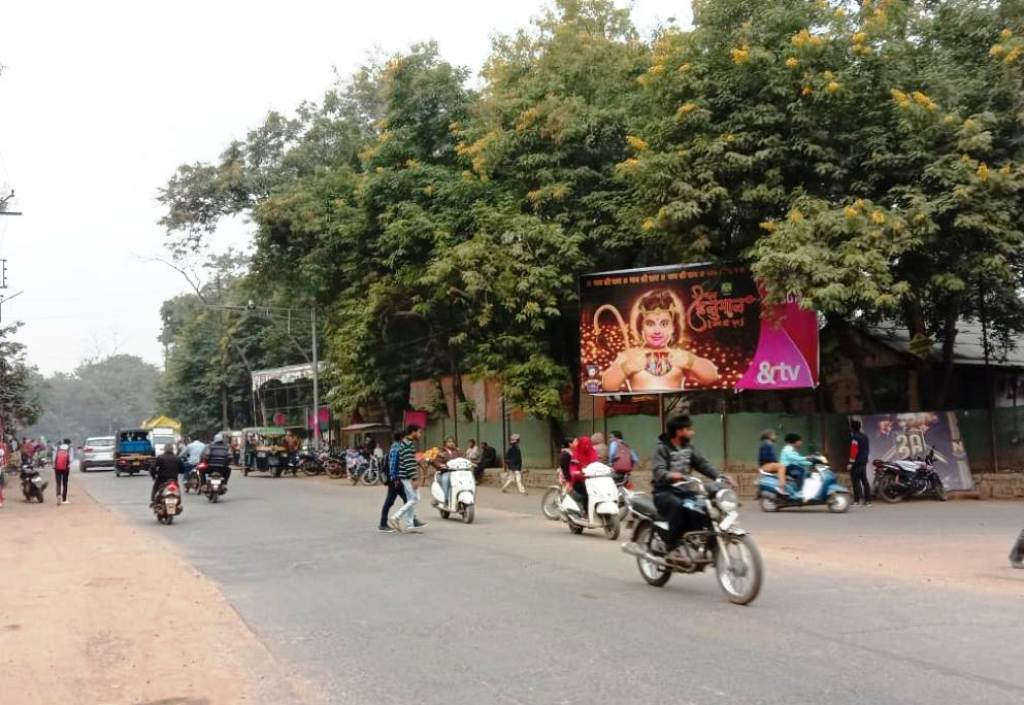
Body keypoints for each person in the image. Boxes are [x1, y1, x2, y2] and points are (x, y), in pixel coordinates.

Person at [600, 289, 720, 392]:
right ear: (641, 327)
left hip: (673, 412)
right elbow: (607, 385)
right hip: (641, 412)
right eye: (650, 323)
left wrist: (690, 362)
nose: (657, 330)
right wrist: (627, 367)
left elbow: (711, 376)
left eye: (664, 323)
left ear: (673, 327)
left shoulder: (679, 355)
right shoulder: (630, 355)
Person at [651, 415, 731, 555]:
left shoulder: (689, 447)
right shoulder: (662, 448)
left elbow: (702, 464)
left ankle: (701, 539)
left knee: (704, 506)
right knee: (677, 506)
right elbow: (659, 471)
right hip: (664, 492)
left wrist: (719, 476)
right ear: (678, 431)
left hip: (685, 491)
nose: (692, 432)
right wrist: (670, 475)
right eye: (689, 429)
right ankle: (671, 545)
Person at [390, 425, 426, 533]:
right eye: (419, 432)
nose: (420, 435)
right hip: (407, 476)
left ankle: (410, 524)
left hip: (405, 476)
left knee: (412, 498)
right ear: (413, 432)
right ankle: (396, 517)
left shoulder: (406, 443)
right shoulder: (408, 444)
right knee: (415, 498)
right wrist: (414, 478)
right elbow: (408, 462)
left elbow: (409, 460)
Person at [378, 432, 408, 532]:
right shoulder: (396, 448)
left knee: (406, 500)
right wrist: (395, 478)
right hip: (395, 480)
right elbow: (393, 465)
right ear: (401, 437)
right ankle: (383, 524)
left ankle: (410, 521)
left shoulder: (398, 447)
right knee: (393, 501)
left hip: (397, 479)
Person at [568, 435, 599, 511]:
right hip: (579, 479)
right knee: (587, 493)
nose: (586, 447)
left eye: (588, 444)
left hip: (592, 479)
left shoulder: (593, 453)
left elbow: (596, 464)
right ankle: (586, 511)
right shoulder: (576, 453)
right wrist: (575, 472)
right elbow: (573, 466)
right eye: (583, 444)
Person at [431, 437, 462, 506]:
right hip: (446, 472)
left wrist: (470, 463)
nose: (451, 443)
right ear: (445, 443)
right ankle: (445, 499)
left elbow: (464, 459)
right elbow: (436, 462)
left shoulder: (458, 452)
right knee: (445, 479)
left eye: (453, 441)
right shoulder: (441, 452)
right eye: (449, 441)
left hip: (458, 472)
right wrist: (441, 465)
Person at [848, 420, 872, 506]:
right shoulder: (865, 437)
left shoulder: (855, 438)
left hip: (856, 462)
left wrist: (850, 462)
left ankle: (857, 500)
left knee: (855, 481)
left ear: (852, 428)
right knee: (864, 481)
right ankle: (868, 501)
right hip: (863, 461)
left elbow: (854, 450)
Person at [757, 429, 788, 496]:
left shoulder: (766, 444)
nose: (775, 437)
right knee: (782, 467)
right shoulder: (768, 444)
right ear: (769, 436)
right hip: (766, 465)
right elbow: (766, 457)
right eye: (773, 435)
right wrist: (776, 462)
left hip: (765, 465)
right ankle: (781, 488)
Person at [53, 438, 73, 505]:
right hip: (66, 468)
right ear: (69, 443)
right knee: (65, 483)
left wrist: (54, 465)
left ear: (63, 442)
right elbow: (71, 459)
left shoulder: (58, 447)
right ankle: (64, 499)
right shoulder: (70, 448)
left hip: (57, 467)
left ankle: (58, 495)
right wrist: (68, 464)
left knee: (58, 483)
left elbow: (54, 458)